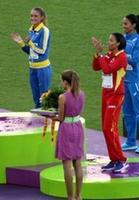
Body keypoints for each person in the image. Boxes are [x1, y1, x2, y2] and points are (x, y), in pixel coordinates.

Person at [91, 33, 128, 173]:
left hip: (116, 95)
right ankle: (114, 159)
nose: (108, 42)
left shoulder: (122, 57)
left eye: (111, 40)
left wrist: (101, 55)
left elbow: (107, 69)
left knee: (109, 128)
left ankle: (121, 160)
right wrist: (97, 53)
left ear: (118, 43)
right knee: (107, 128)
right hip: (106, 95)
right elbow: (96, 67)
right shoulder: (109, 55)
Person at [11, 7, 52, 108]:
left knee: (44, 98)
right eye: (31, 16)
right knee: (36, 98)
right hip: (32, 68)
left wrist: (29, 42)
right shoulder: (31, 30)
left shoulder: (44, 30)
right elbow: (32, 52)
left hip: (42, 69)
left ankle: (46, 121)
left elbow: (41, 50)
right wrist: (20, 43)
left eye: (35, 16)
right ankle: (38, 120)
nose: (32, 18)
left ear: (42, 18)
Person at [52, 70, 84, 200]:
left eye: (61, 81)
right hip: (77, 127)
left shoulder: (62, 97)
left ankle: (70, 197)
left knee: (67, 164)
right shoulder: (81, 94)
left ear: (66, 82)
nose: (61, 83)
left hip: (66, 129)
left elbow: (61, 117)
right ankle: (78, 195)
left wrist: (50, 117)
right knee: (78, 162)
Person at [121, 14, 139, 153]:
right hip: (124, 79)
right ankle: (130, 141)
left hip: (135, 80)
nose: (124, 26)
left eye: (126, 24)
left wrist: (121, 56)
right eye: (123, 24)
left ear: (134, 25)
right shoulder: (122, 38)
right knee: (127, 111)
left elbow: (134, 60)